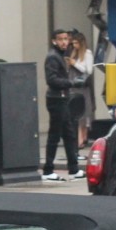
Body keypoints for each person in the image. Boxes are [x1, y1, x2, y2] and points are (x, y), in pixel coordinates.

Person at [42, 28, 86, 181]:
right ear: (54, 41)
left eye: (66, 39)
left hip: (61, 98)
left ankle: (73, 169)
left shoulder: (59, 55)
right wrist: (71, 82)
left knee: (68, 134)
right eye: (60, 39)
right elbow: (51, 79)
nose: (64, 42)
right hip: (56, 99)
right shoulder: (53, 57)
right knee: (55, 135)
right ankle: (48, 170)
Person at [68, 30, 96, 149]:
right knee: (78, 114)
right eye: (73, 43)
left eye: (76, 43)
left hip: (82, 87)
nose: (75, 46)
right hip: (75, 86)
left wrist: (74, 64)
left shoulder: (87, 53)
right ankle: (82, 138)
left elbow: (89, 70)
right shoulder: (75, 53)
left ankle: (81, 139)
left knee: (83, 114)